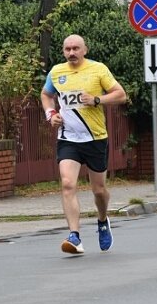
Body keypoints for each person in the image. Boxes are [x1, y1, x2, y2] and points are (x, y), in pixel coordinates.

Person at [40, 34, 127, 254]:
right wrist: (51, 114)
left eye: (76, 48)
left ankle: (102, 219)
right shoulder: (57, 72)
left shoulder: (98, 69)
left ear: (84, 50)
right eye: (67, 49)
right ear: (63, 51)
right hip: (68, 138)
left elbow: (120, 95)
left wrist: (98, 100)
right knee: (68, 184)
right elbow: (46, 94)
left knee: (99, 190)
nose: (71, 53)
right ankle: (74, 236)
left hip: (95, 138)